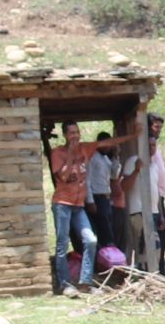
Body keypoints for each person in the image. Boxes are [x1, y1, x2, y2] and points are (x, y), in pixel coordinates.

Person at [48, 123, 95, 295]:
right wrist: (70, 154)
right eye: (71, 133)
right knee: (62, 243)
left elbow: (106, 143)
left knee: (91, 240)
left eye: (77, 132)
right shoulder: (57, 153)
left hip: (78, 205)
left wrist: (134, 135)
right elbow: (64, 176)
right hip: (62, 204)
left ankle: (85, 282)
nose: (75, 136)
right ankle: (65, 284)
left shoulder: (83, 150)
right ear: (65, 135)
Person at [124, 116, 165, 272]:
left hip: (153, 212)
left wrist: (161, 214)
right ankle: (144, 274)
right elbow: (124, 186)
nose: (152, 148)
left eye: (154, 145)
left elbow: (156, 191)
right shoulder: (133, 161)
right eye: (148, 145)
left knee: (155, 246)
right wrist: (136, 170)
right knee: (143, 246)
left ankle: (152, 274)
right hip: (138, 211)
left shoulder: (154, 165)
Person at [86, 132, 122, 253]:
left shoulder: (106, 159)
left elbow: (114, 175)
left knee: (108, 227)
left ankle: (108, 253)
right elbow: (87, 179)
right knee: (104, 230)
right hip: (97, 197)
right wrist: (90, 200)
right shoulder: (92, 157)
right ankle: (105, 253)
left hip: (106, 197)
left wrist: (116, 156)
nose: (108, 147)